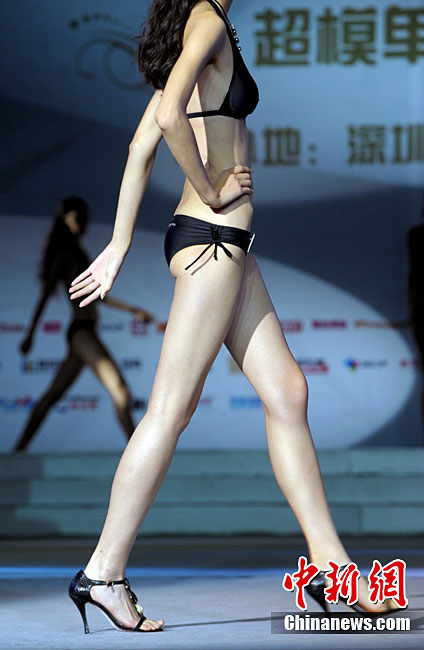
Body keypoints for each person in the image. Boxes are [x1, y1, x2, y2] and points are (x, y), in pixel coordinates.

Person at [67, 0, 402, 634]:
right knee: (170, 411)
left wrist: (119, 243)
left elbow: (140, 146)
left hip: (221, 246)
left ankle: (332, 570)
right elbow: (168, 118)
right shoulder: (209, 19)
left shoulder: (206, 23)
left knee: (288, 392)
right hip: (213, 244)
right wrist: (212, 189)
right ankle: (103, 572)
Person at [15, 196, 153, 452]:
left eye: (85, 217)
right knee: (121, 392)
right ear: (65, 219)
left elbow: (97, 294)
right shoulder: (66, 254)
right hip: (82, 333)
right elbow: (45, 296)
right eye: (78, 217)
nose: (84, 222)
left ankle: (18, 451)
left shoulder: (76, 252)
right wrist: (30, 335)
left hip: (83, 333)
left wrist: (133, 310)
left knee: (52, 396)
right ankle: (139, 456)